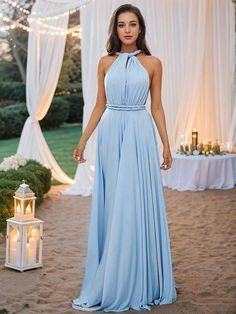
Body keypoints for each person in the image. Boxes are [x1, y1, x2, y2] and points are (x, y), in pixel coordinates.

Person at [71, 3, 177, 312]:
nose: (127, 29)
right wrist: (83, 138)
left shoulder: (154, 63)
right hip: (111, 132)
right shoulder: (105, 62)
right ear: (115, 30)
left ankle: (138, 272)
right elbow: (99, 105)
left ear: (140, 28)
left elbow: (156, 106)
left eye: (132, 24)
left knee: (135, 200)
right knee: (115, 199)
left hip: (139, 133)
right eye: (121, 25)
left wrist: (166, 144)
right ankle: (113, 270)